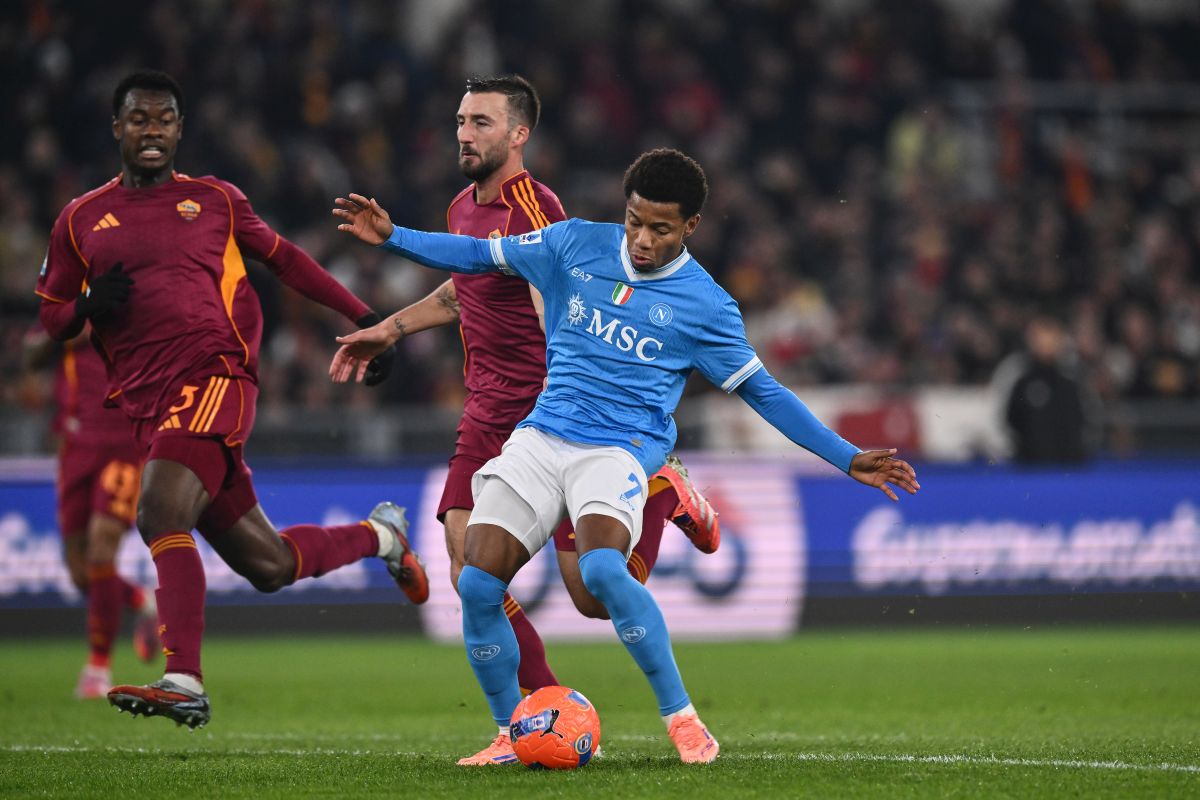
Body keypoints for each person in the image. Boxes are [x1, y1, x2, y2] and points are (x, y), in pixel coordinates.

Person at [331, 148, 920, 764]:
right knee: (477, 582)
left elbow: (763, 392)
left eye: (660, 229)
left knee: (603, 577)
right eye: (635, 221)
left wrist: (846, 457)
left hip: (619, 448)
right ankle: (509, 733)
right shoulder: (572, 243)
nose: (642, 239)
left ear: (690, 226)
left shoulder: (706, 306)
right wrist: (393, 237)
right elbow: (478, 256)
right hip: (543, 434)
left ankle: (683, 719)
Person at [330, 75, 722, 766]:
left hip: (549, 413)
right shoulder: (461, 207)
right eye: (460, 120)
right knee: (470, 571)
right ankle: (525, 721)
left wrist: (581, 403)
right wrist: (391, 328)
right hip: (484, 407)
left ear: (518, 135)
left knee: (591, 597)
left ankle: (664, 493)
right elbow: (466, 289)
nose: (464, 134)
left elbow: (565, 306)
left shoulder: (535, 208)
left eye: (480, 122)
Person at [34, 69, 429, 730]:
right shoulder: (80, 219)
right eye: (140, 119)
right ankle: (383, 537)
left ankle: (183, 678)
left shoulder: (215, 199)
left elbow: (287, 260)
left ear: (180, 130)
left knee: (160, 511)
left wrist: (367, 318)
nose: (153, 131)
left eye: (165, 120)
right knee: (268, 565)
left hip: (216, 376)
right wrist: (86, 306)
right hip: (148, 405)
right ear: (117, 127)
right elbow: (51, 318)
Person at [23, 326, 159, 699]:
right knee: (82, 573)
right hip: (75, 445)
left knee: (102, 547)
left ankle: (97, 669)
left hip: (123, 441)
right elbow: (31, 356)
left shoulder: (129, 300)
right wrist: (66, 327)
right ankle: (141, 600)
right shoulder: (64, 304)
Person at [1002, 314, 1095, 464]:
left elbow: (1079, 425)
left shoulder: (1070, 385)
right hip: (1030, 467)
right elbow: (1012, 422)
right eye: (1039, 338)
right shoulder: (1021, 383)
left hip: (1067, 468)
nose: (1045, 343)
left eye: (1050, 337)